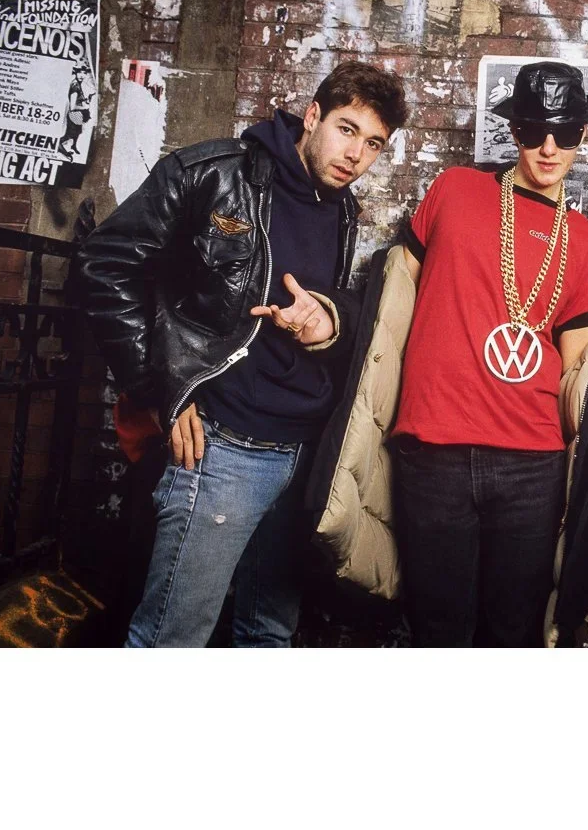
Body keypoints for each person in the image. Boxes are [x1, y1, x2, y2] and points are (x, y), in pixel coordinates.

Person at [77, 60, 408, 647]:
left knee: (269, 635)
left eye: (373, 144)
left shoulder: (342, 208)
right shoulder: (212, 172)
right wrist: (160, 391)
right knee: (172, 639)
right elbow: (105, 265)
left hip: (304, 451)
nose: (356, 154)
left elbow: (317, 307)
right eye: (347, 129)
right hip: (225, 447)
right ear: (313, 116)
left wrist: (325, 320)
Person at [390, 61, 588, 646]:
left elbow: (578, 378)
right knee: (436, 631)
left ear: (581, 134)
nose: (548, 148)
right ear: (513, 130)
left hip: (531, 465)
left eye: (564, 133)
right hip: (433, 448)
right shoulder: (455, 189)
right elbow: (392, 306)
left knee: (511, 635)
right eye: (533, 131)